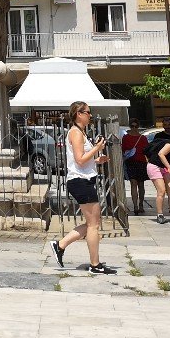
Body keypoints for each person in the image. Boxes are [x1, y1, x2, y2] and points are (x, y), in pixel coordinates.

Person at [50, 101, 117, 274]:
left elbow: (79, 161)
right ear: (78, 114)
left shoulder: (80, 132)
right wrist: (97, 148)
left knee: (92, 224)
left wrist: (96, 160)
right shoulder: (75, 132)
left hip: (83, 179)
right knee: (94, 225)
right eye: (87, 112)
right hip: (80, 181)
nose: (90, 115)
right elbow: (79, 159)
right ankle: (95, 265)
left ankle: (60, 245)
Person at [147, 122, 170, 224]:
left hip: (167, 168)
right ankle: (160, 215)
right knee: (161, 191)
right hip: (155, 166)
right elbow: (161, 154)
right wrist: (169, 167)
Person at [121, 120, 149, 215]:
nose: (134, 128)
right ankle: (135, 206)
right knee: (133, 183)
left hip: (141, 162)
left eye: (136, 126)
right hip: (131, 162)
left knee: (141, 184)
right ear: (130, 126)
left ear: (138, 126)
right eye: (132, 126)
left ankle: (141, 204)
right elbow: (123, 150)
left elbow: (147, 151)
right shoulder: (126, 138)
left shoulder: (143, 138)